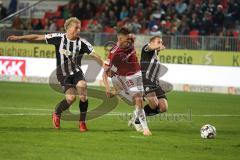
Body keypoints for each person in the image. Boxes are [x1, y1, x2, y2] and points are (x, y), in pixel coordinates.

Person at [7, 17, 102, 132]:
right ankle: (57, 113)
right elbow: (38, 37)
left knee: (83, 92)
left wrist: (104, 66)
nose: (78, 30)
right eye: (76, 28)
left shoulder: (82, 43)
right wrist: (19, 37)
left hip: (76, 72)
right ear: (68, 28)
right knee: (71, 98)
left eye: (79, 28)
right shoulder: (58, 38)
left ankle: (82, 122)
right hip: (63, 73)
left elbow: (95, 55)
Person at [102, 27, 152, 136]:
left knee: (139, 101)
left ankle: (135, 119)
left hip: (137, 73)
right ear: (119, 39)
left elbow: (132, 37)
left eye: (129, 38)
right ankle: (145, 128)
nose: (129, 41)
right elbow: (105, 72)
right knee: (138, 100)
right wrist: (107, 88)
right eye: (126, 40)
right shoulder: (113, 53)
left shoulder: (130, 40)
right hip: (125, 77)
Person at [129, 36, 169, 131]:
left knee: (163, 107)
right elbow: (150, 47)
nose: (161, 43)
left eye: (161, 42)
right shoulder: (146, 48)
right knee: (154, 104)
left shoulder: (155, 53)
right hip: (146, 80)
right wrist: (158, 46)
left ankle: (136, 115)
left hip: (155, 82)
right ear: (151, 42)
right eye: (158, 41)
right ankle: (138, 120)